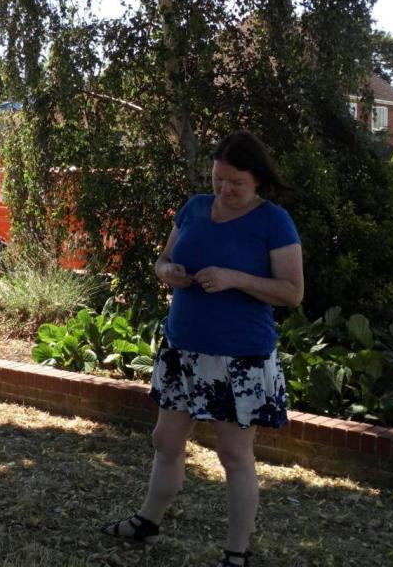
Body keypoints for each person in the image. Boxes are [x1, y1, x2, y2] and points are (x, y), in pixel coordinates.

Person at [101, 131, 303, 567]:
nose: (225, 190)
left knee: (233, 454)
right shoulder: (193, 207)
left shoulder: (274, 221)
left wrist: (237, 279)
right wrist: (167, 271)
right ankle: (147, 522)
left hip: (240, 359)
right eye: (218, 180)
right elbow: (162, 260)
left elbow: (292, 292)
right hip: (183, 352)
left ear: (258, 181)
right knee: (165, 439)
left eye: (236, 183)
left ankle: (235, 553)